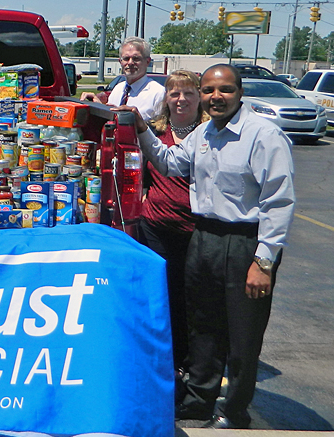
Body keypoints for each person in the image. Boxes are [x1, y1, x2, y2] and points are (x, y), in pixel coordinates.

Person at [118, 64, 295, 429]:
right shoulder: (203, 134)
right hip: (204, 237)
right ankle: (199, 401)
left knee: (242, 333)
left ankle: (234, 411)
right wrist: (143, 129)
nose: (217, 97)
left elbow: (278, 202)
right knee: (203, 326)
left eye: (225, 90)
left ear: (240, 93)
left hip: (246, 242)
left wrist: (263, 262)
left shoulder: (263, 136)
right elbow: (169, 164)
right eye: (211, 90)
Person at [138, 70, 207, 396]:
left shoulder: (211, 133)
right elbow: (144, 173)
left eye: (188, 93)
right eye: (174, 93)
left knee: (193, 302)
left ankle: (191, 366)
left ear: (199, 97)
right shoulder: (154, 131)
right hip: (156, 227)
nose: (181, 99)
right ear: (166, 98)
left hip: (196, 231)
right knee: (162, 298)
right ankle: (165, 364)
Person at [81, 36, 165, 121]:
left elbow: (161, 131)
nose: (130, 63)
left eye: (136, 58)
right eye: (126, 58)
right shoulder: (118, 89)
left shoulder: (158, 93)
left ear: (147, 62)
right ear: (120, 62)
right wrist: (98, 106)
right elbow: (112, 120)